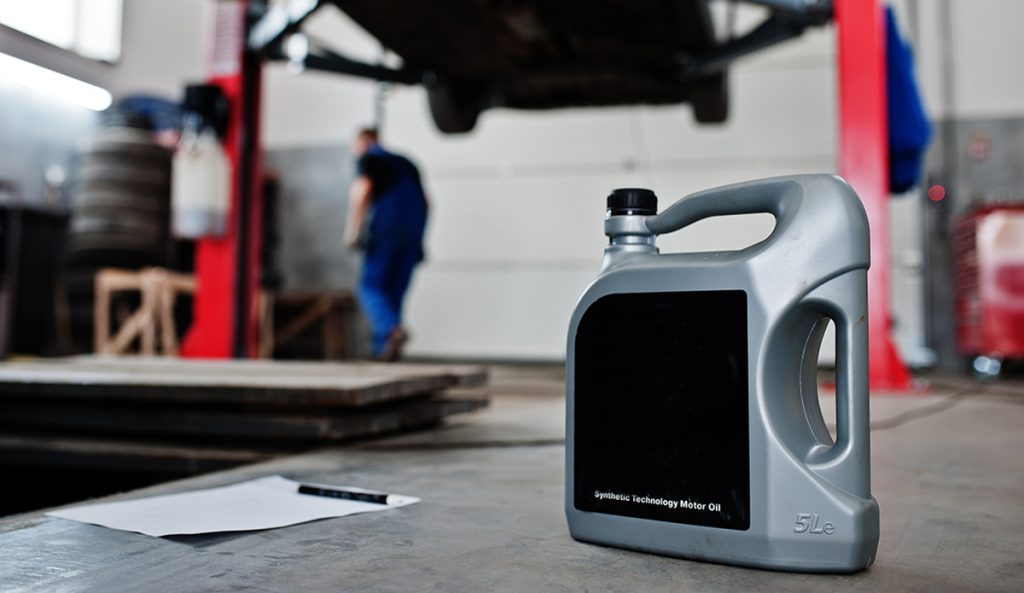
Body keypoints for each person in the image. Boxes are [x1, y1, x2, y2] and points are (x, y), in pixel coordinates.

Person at [344, 128, 428, 361]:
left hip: (387, 228)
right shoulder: (407, 162)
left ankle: (391, 329)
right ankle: (386, 349)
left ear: (364, 141)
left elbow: (363, 189)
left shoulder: (370, 158)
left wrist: (353, 229)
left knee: (369, 286)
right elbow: (427, 202)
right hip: (413, 230)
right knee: (394, 290)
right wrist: (420, 240)